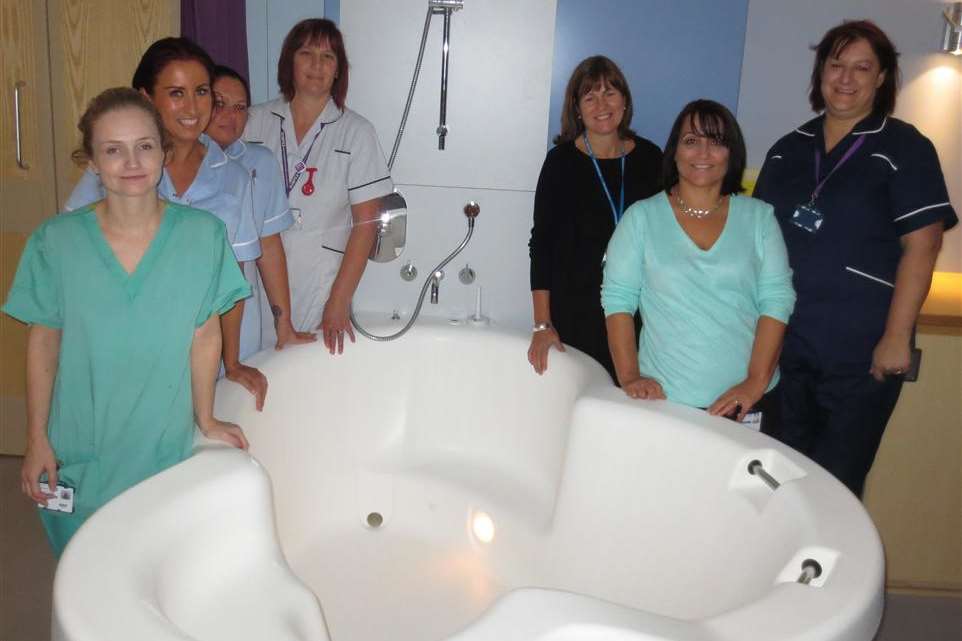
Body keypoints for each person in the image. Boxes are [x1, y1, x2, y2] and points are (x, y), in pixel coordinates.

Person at [3, 88, 250, 556]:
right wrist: (35, 438)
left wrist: (206, 417)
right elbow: (43, 343)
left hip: (161, 450)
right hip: (79, 447)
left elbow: (204, 337)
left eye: (145, 145)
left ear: (163, 150)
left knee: (153, 570)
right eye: (113, 150)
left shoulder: (202, 236)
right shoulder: (56, 242)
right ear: (92, 162)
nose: (131, 161)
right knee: (84, 576)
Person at [753, 20, 957, 496]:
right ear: (820, 72)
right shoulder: (788, 151)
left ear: (882, 78)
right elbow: (756, 243)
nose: (846, 78)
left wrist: (896, 336)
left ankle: (832, 572)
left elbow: (924, 244)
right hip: (785, 348)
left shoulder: (904, 148)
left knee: (835, 488)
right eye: (836, 65)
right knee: (776, 479)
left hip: (859, 356)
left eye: (862, 67)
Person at [65, 38, 274, 410]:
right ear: (146, 98)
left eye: (201, 91)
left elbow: (234, 280)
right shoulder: (121, 170)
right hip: (128, 357)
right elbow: (76, 259)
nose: (193, 108)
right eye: (176, 93)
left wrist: (232, 362)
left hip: (204, 353)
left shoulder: (234, 177)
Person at [602, 100, 796, 429]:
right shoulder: (641, 218)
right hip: (664, 400)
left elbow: (777, 300)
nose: (703, 152)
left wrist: (754, 383)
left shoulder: (759, 218)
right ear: (674, 151)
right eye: (691, 141)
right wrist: (630, 376)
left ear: (731, 153)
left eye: (717, 141)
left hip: (747, 402)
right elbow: (618, 299)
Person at [244, 18, 394, 355]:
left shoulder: (356, 132)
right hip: (256, 276)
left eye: (328, 57)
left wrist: (338, 302)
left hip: (320, 281)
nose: (316, 65)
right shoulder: (254, 122)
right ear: (289, 62)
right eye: (306, 53)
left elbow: (366, 223)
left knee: (302, 377)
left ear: (339, 70)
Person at [527, 56, 662, 382]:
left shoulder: (652, 159)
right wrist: (543, 324)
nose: (601, 104)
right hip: (577, 312)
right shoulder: (560, 164)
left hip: (639, 312)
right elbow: (542, 247)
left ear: (625, 101)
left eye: (610, 93)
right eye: (590, 97)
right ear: (577, 108)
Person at [207, 64, 316, 351]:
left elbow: (268, 245)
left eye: (240, 107)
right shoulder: (171, 164)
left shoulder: (259, 162)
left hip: (241, 320)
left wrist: (284, 325)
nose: (230, 116)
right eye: (219, 104)